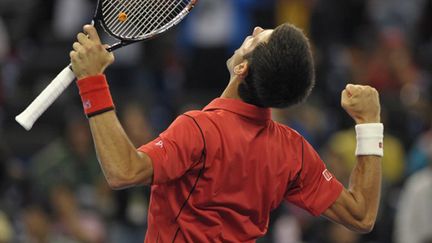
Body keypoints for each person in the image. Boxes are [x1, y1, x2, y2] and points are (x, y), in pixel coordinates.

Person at [69, 23, 383, 242]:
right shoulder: (293, 150)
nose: (256, 30)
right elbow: (361, 215)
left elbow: (122, 171)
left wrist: (92, 80)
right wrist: (369, 123)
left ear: (242, 69)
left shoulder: (199, 130)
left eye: (259, 39)